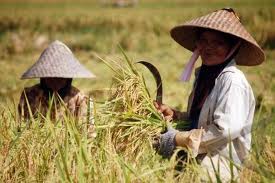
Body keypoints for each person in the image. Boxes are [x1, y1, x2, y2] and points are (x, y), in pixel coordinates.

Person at [155, 8, 265, 181]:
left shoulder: (232, 82)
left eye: (218, 43)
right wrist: (177, 115)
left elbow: (223, 130)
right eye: (204, 40)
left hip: (219, 170)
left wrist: (176, 138)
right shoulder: (205, 76)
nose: (208, 47)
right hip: (195, 164)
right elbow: (201, 119)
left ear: (233, 47)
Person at [18, 40, 96, 137]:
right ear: (43, 76)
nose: (55, 80)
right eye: (51, 76)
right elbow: (21, 132)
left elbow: (88, 138)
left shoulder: (81, 100)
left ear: (68, 78)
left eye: (60, 77)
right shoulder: (29, 96)